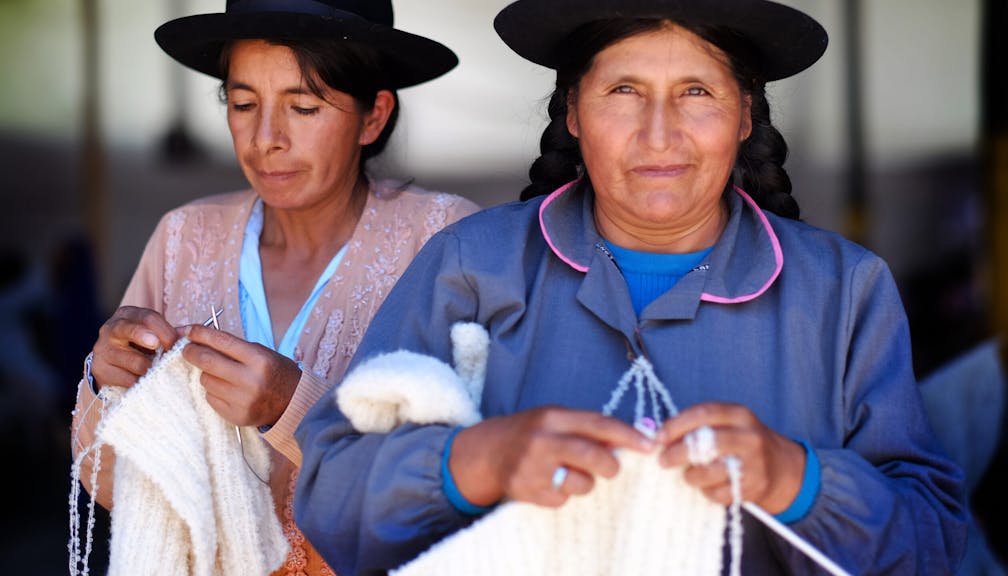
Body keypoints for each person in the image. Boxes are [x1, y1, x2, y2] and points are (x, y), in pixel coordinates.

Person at [292, 0, 969, 574]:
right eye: (624, 91)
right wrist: (478, 461)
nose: (659, 133)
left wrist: (795, 478)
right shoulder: (473, 263)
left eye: (696, 92)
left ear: (744, 115)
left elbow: (933, 540)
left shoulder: (843, 289)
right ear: (574, 112)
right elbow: (330, 497)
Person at [69, 1, 479, 574]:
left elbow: (467, 473)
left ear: (373, 117)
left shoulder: (446, 241)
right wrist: (105, 382)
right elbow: (116, 484)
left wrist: (294, 407)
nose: (266, 138)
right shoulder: (184, 237)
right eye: (242, 104)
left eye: (304, 106)